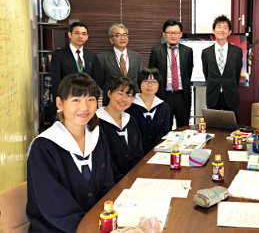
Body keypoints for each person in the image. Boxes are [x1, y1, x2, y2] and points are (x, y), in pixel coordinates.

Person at [27, 73, 114, 232]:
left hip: (96, 225)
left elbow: (107, 186)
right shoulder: (44, 147)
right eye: (76, 100)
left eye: (91, 99)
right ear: (60, 103)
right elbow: (55, 208)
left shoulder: (97, 136)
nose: (85, 107)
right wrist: (92, 229)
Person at [97, 76, 144, 182]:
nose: (124, 99)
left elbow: (138, 154)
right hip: (109, 185)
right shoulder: (96, 123)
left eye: (129, 95)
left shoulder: (131, 121)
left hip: (134, 181)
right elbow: (102, 162)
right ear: (109, 93)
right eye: (120, 93)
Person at [149, 19, 193, 129]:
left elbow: (188, 71)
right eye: (169, 32)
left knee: (184, 128)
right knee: (164, 128)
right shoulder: (156, 51)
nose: (173, 35)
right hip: (163, 95)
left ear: (181, 34)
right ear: (164, 34)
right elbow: (152, 74)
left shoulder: (188, 51)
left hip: (182, 96)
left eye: (176, 33)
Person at [201, 15, 243, 121]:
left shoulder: (237, 51)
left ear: (229, 32)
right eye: (219, 27)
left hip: (231, 94)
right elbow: (206, 73)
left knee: (232, 128)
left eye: (225, 27)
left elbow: (237, 73)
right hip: (213, 95)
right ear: (213, 30)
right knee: (213, 127)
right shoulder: (206, 52)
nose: (222, 30)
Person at [51, 22, 104, 99]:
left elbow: (98, 81)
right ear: (69, 35)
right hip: (68, 99)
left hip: (87, 99)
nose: (80, 36)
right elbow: (56, 82)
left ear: (87, 37)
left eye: (83, 34)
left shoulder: (92, 56)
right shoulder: (58, 55)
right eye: (76, 33)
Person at [127, 67, 170, 155]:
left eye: (154, 82)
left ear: (159, 85)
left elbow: (165, 132)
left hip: (159, 153)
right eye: (146, 81)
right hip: (134, 154)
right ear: (139, 83)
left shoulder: (164, 107)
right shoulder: (129, 106)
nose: (150, 85)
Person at [98, 23, 142, 106]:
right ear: (111, 40)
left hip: (133, 101)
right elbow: (100, 82)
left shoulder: (137, 57)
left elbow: (139, 80)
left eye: (125, 35)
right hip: (111, 101)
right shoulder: (102, 57)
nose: (123, 38)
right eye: (118, 35)